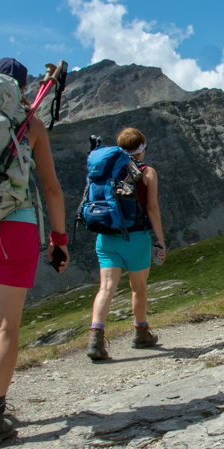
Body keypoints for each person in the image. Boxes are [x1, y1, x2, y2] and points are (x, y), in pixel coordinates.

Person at [0, 58, 69, 449]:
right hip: (13, 228)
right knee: (8, 323)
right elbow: (51, 188)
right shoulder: (29, 124)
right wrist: (59, 237)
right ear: (19, 88)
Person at [87, 128, 166, 360]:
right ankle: (141, 333)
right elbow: (151, 208)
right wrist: (159, 240)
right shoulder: (147, 172)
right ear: (142, 146)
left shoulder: (106, 169)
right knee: (138, 288)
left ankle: (95, 339)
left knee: (106, 287)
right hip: (135, 238)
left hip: (106, 237)